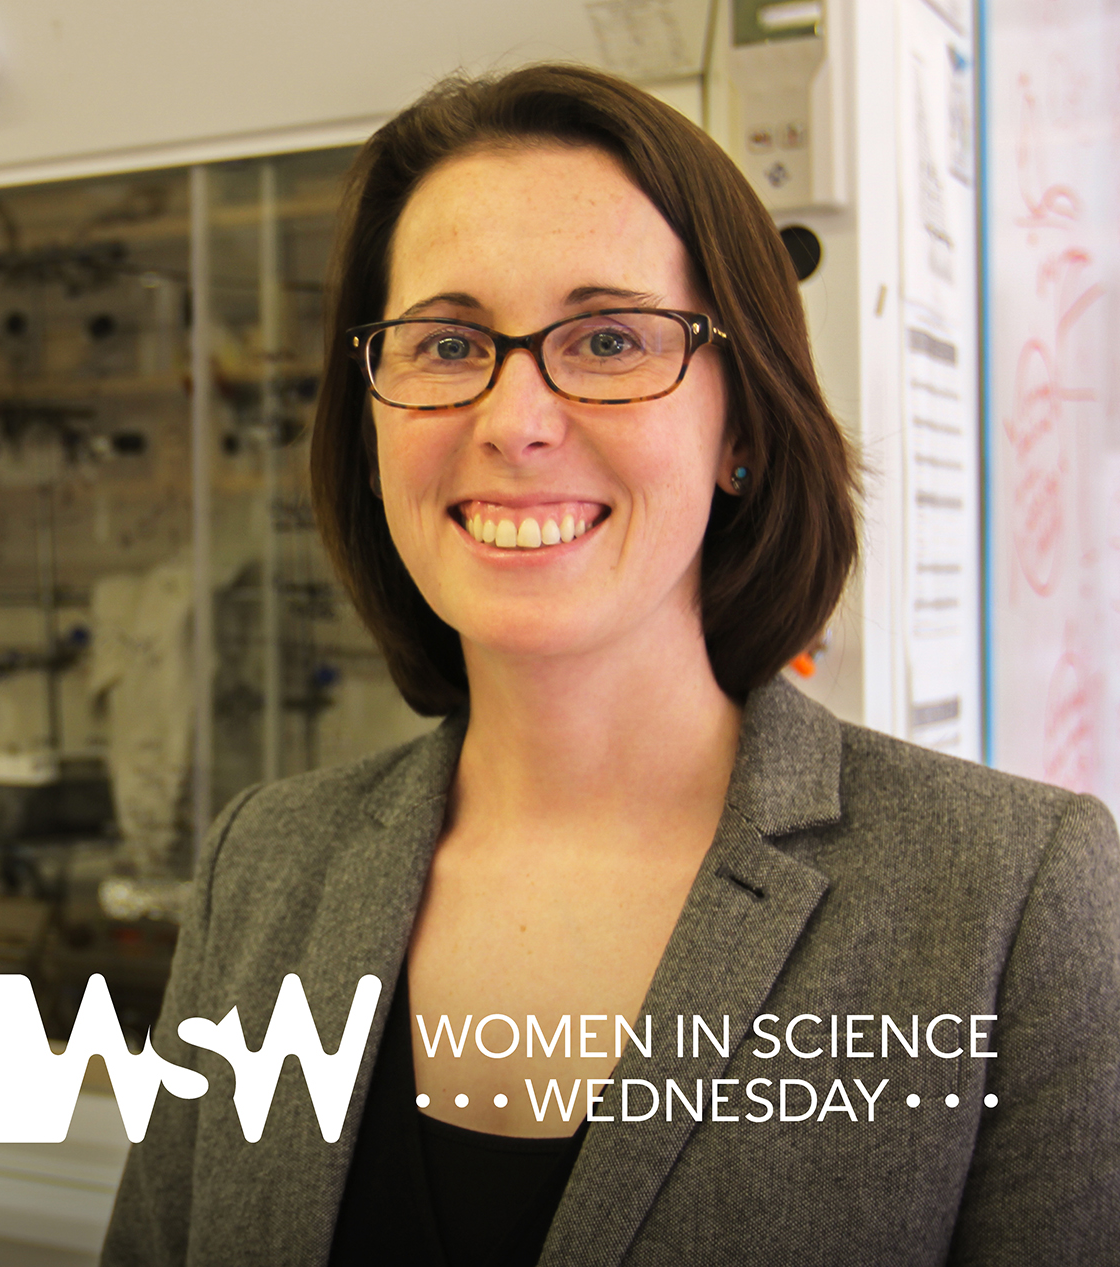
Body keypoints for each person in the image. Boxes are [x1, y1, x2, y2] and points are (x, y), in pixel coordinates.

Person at [100, 63, 1120, 1266]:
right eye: (444, 342)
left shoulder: (1011, 897)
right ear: (371, 425)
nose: (513, 418)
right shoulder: (265, 864)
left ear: (740, 426)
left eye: (608, 338)